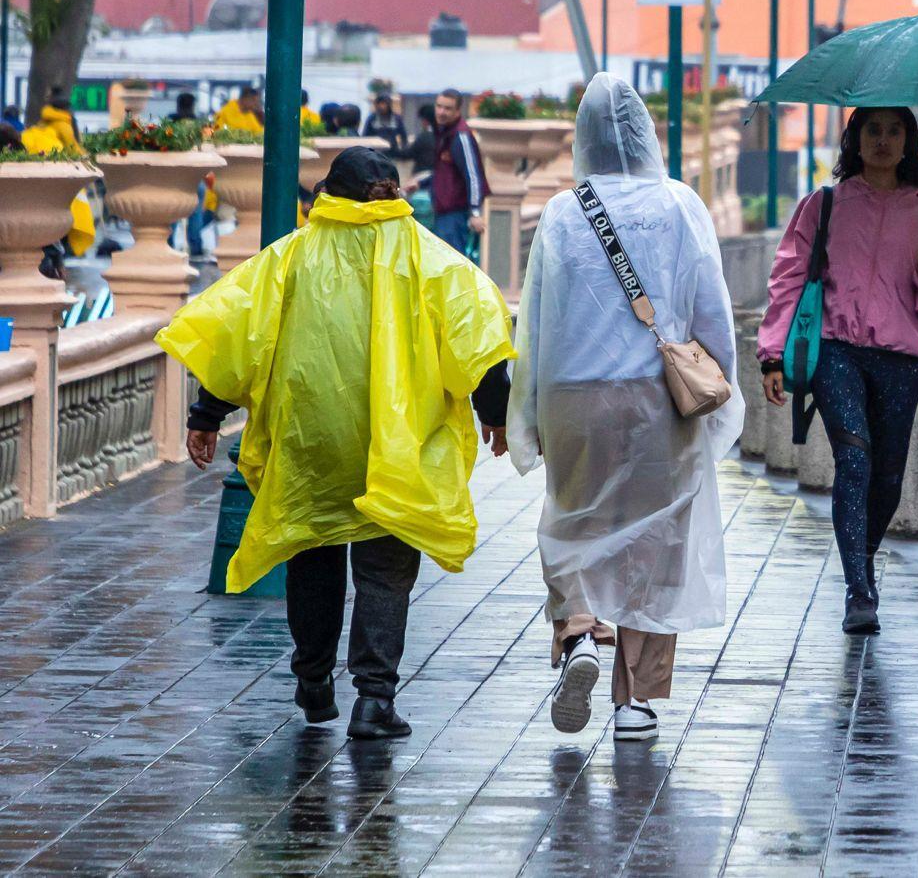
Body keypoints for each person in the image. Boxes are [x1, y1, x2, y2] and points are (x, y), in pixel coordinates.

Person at [156, 146, 517, 739]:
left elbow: (238, 336)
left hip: (311, 440)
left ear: (330, 191)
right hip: (396, 446)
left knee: (313, 553)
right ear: (394, 192)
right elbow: (479, 339)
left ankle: (313, 679)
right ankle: (374, 699)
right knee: (385, 570)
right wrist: (495, 415)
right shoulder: (432, 260)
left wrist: (206, 415)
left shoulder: (291, 258)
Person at [507, 74, 742, 744]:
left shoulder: (562, 212)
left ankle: (580, 632)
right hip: (655, 398)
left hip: (574, 395)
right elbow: (711, 311)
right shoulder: (681, 206)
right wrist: (716, 389)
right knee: (656, 540)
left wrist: (528, 411)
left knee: (574, 520)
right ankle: (635, 701)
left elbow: (537, 322)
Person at [758, 107, 918, 635]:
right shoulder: (824, 205)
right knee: (854, 461)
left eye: (894, 131)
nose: (882, 140)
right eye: (872, 130)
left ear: (909, 141)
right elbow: (787, 278)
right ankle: (859, 589)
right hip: (836, 354)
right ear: (854, 139)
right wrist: (772, 353)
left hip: (900, 363)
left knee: (887, 478)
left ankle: (862, 560)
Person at [429, 89, 487, 256]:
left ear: (457, 111)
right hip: (443, 211)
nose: (441, 112)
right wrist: (420, 182)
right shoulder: (445, 132)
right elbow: (444, 171)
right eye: (439, 106)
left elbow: (473, 175)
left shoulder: (461, 135)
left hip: (455, 214)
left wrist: (475, 212)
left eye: (447, 108)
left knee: (452, 262)